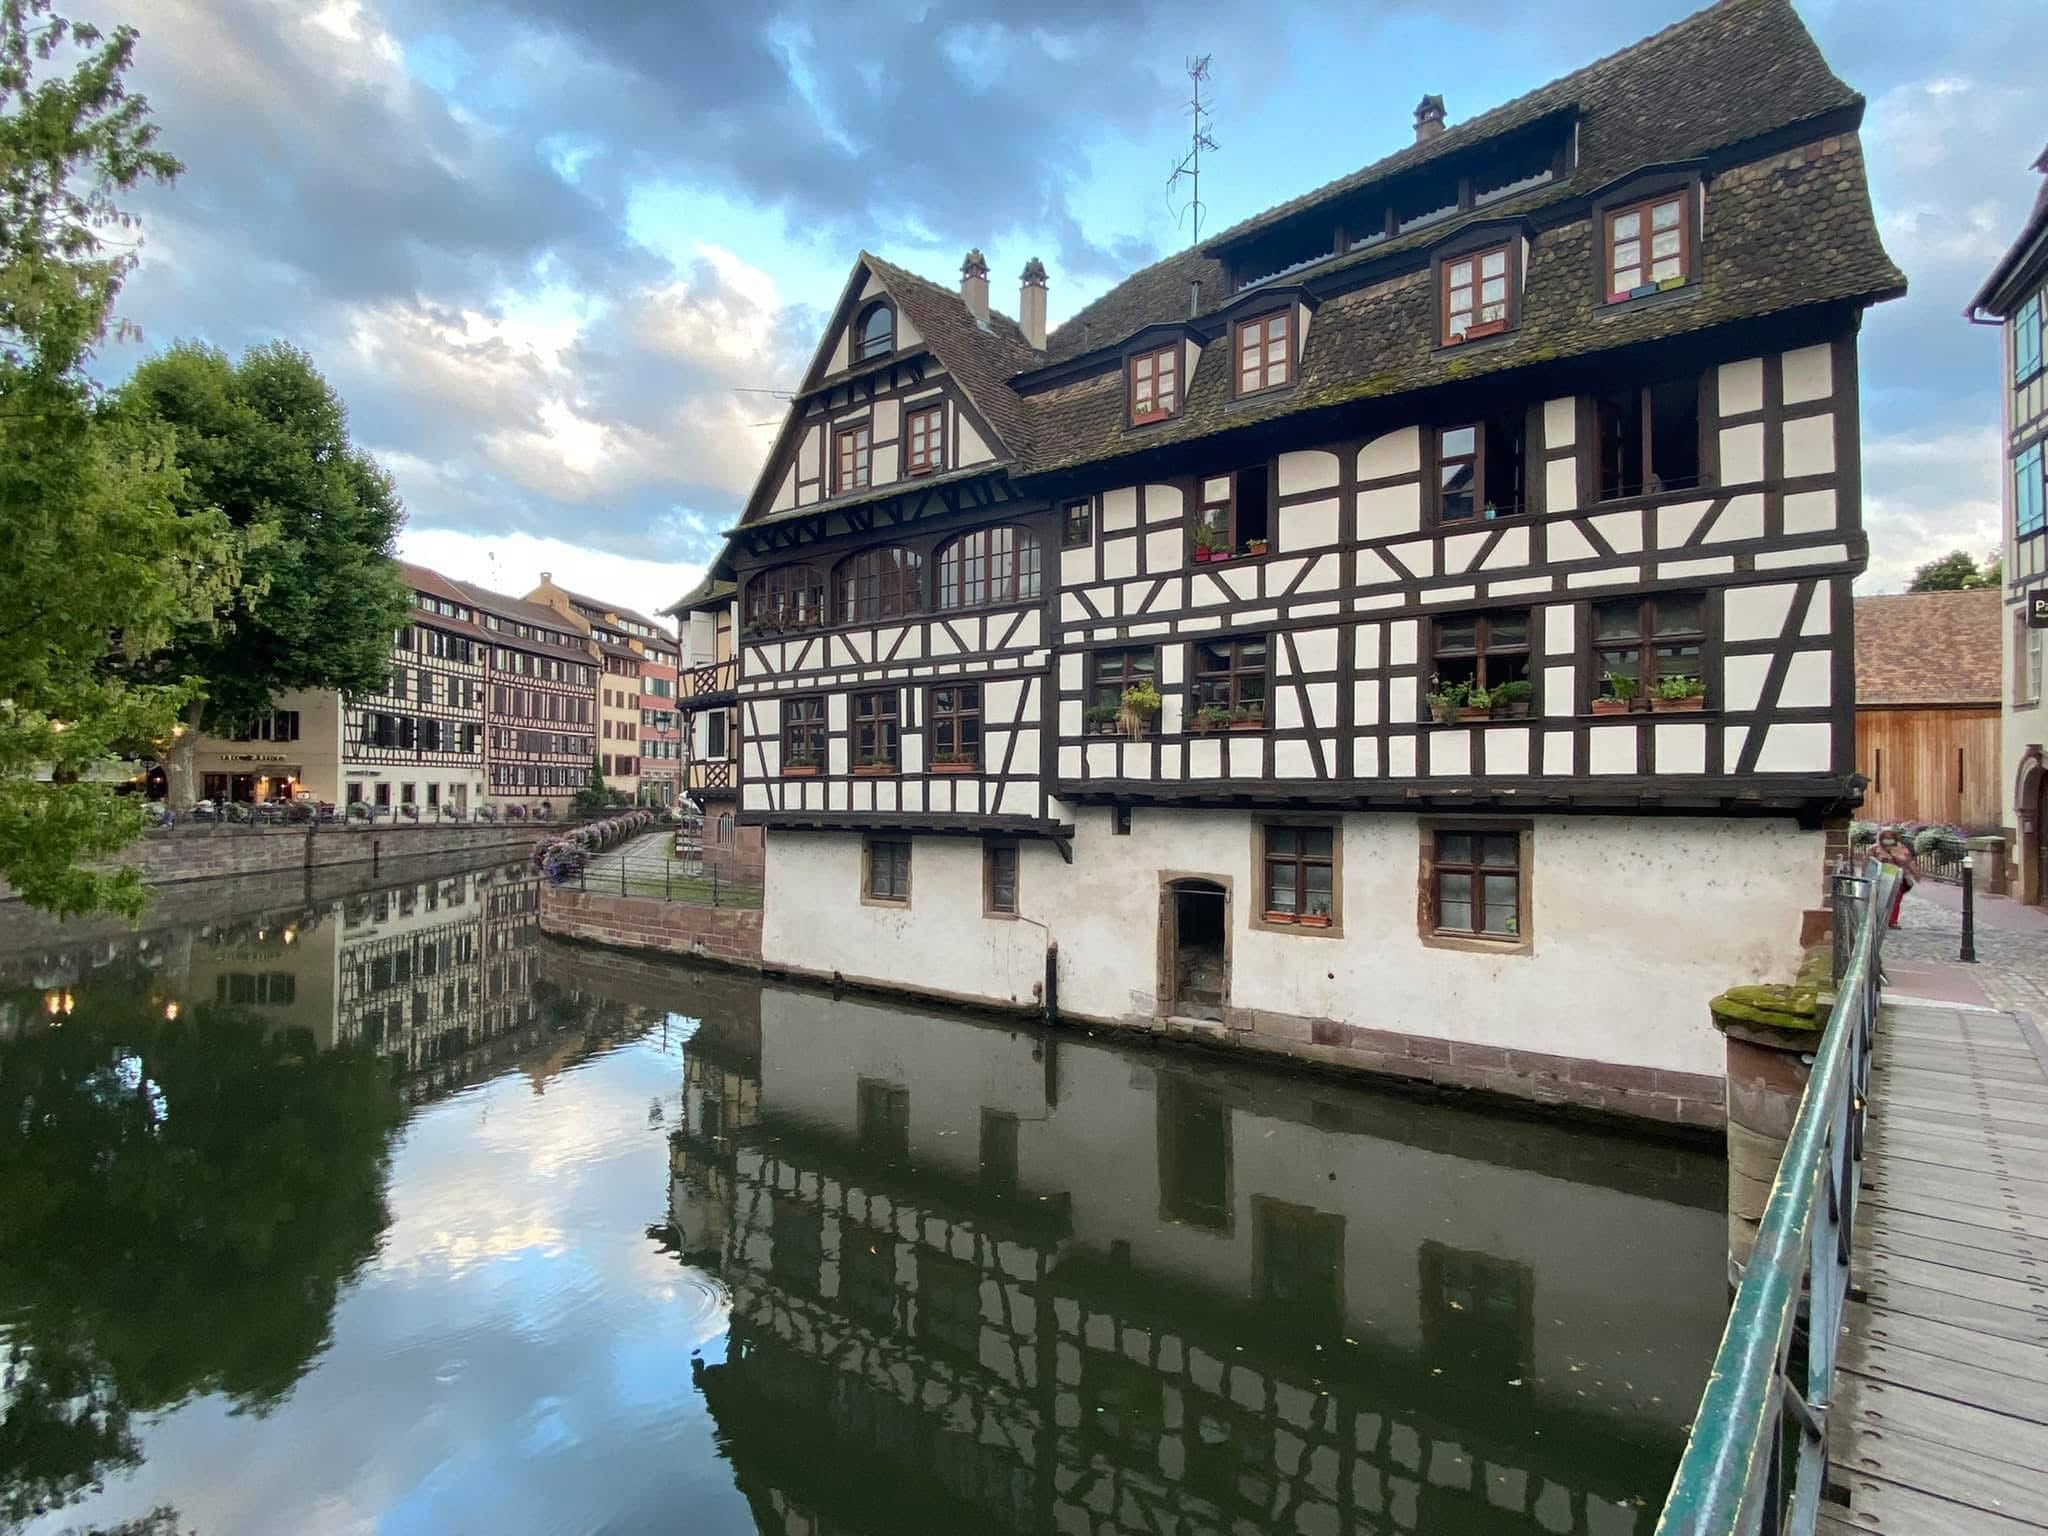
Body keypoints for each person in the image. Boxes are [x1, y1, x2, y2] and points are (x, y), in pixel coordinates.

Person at [1874, 829, 1919, 928]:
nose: (1888, 840)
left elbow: (1908, 862)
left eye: (1890, 838)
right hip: (1881, 878)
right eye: (1886, 838)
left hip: (1898, 878)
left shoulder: (1901, 849)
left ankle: (1892, 921)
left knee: (1896, 899)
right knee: (1879, 898)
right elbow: (1869, 862)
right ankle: (1878, 918)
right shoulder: (1875, 848)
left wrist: (1915, 874)